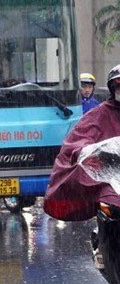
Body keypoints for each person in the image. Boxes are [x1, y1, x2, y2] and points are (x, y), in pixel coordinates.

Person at [46, 64, 120, 221]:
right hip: (112, 178)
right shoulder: (100, 113)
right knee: (111, 203)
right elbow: (79, 137)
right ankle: (108, 239)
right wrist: (86, 150)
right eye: (118, 87)